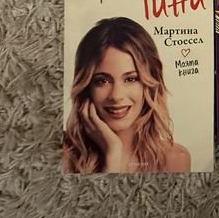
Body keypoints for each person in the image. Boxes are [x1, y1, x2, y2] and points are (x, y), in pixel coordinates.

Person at [62, 17, 190, 174]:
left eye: (131, 79)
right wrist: (113, 153)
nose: (116, 96)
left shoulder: (175, 159)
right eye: (102, 81)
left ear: (149, 85)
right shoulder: (62, 154)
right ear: (86, 87)